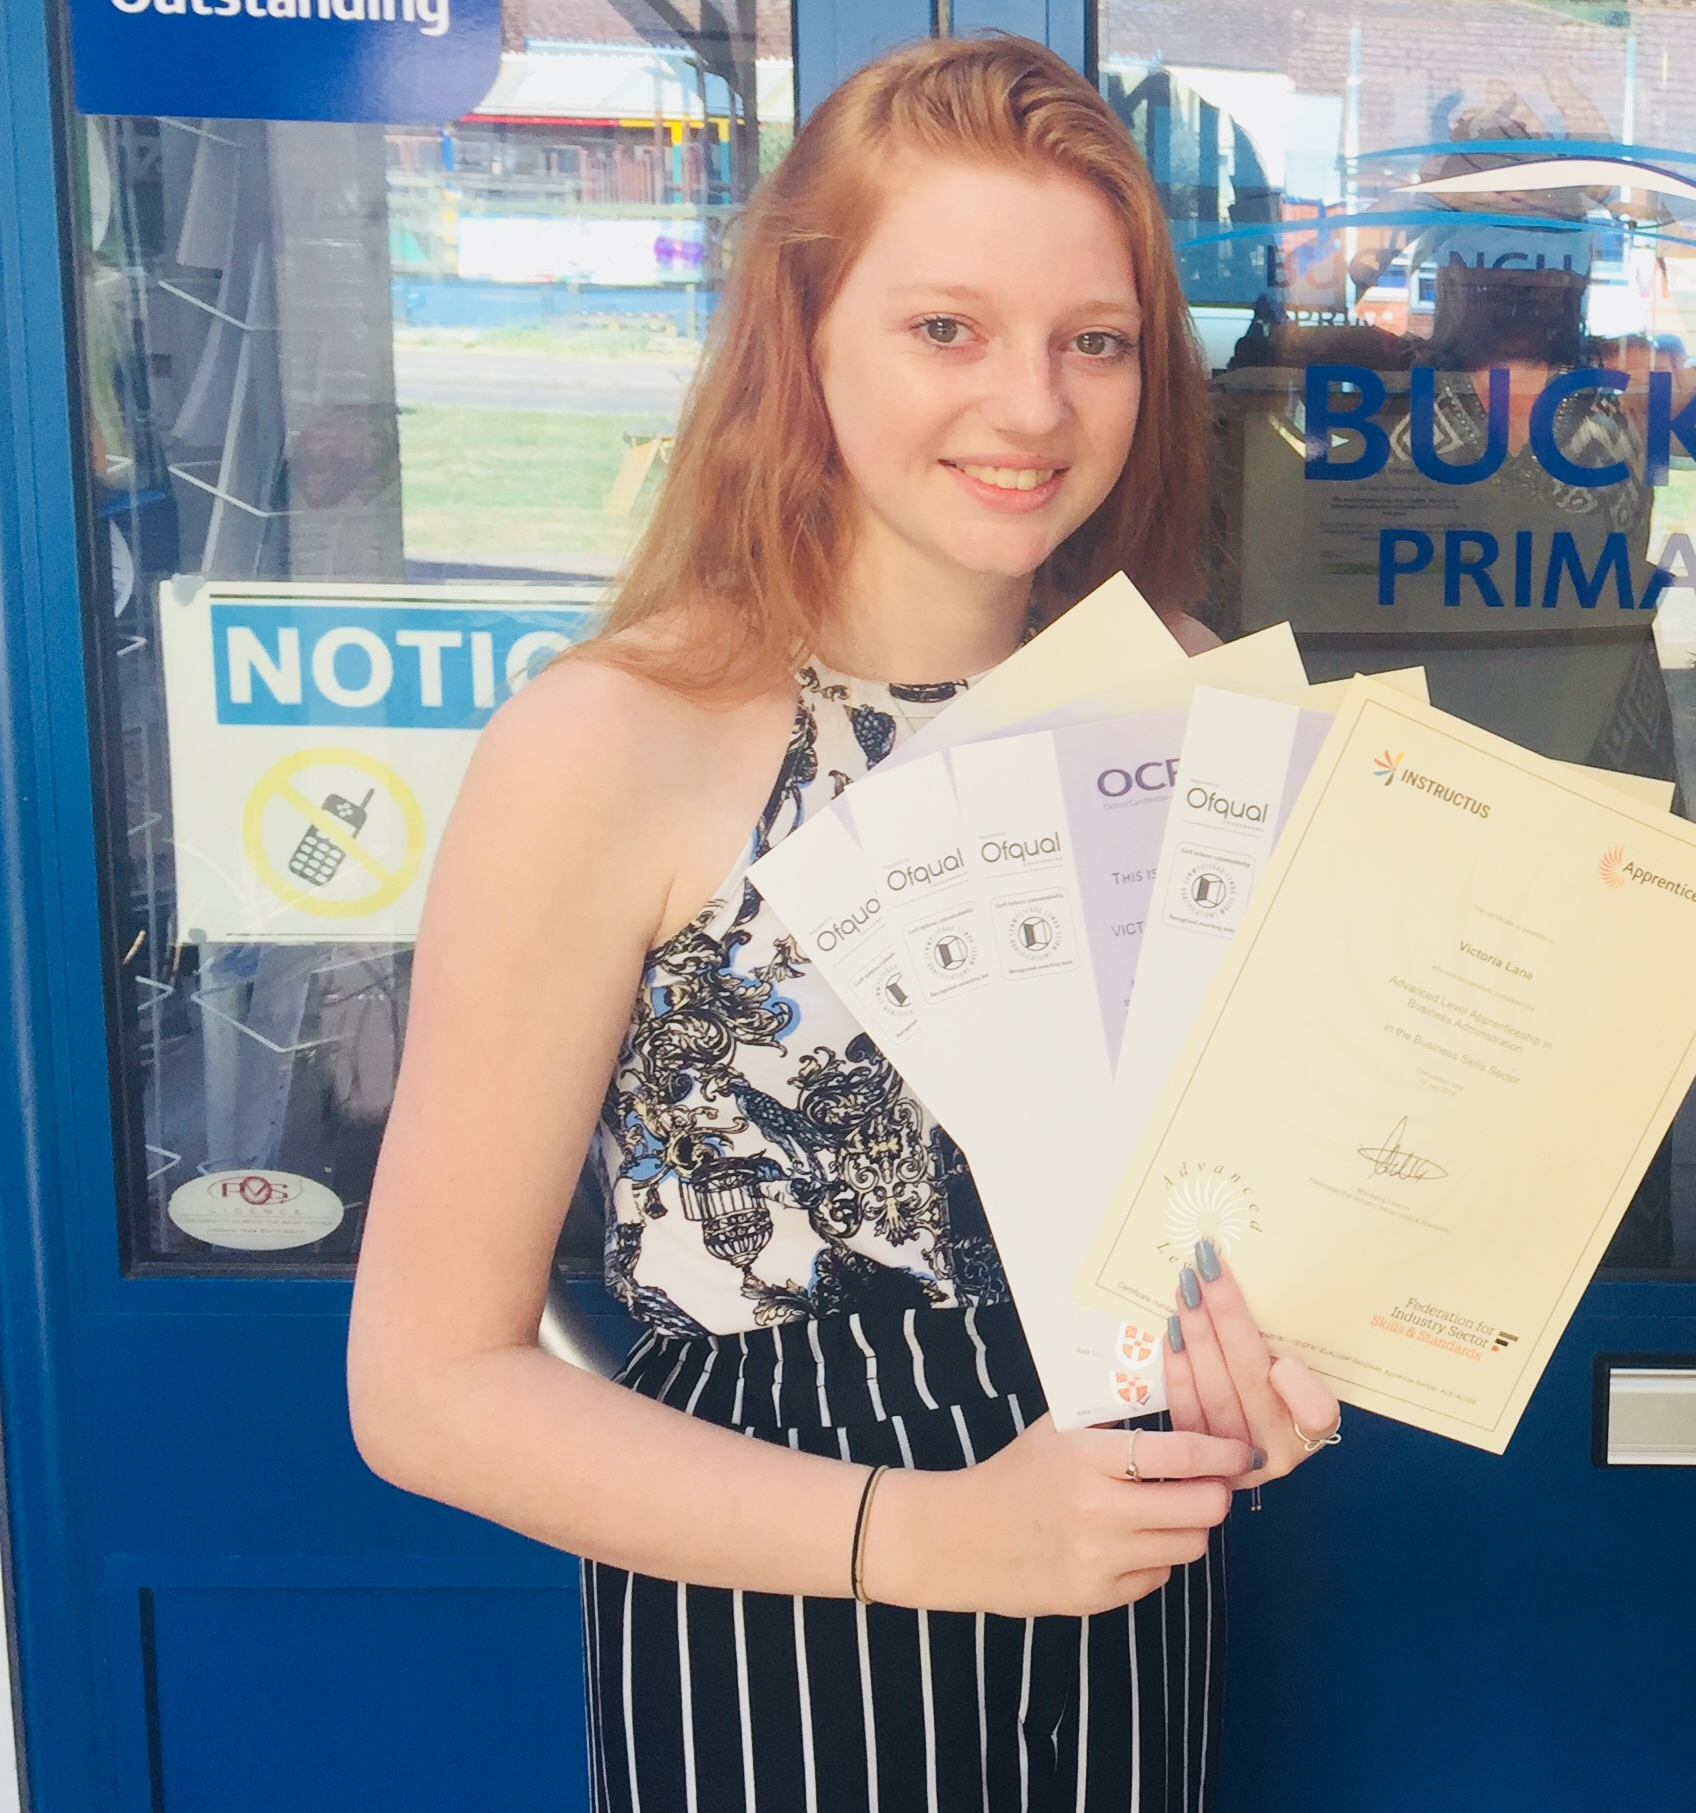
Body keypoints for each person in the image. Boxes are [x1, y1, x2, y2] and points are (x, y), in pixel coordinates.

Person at [348, 36, 1340, 1812]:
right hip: (772, 1599)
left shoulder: (1187, 700)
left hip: (1121, 1570)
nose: (1030, 408)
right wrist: (930, 1537)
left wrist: (1265, 1366)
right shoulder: (613, 742)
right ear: (802, 338)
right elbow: (424, 1386)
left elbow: (1234, 1215)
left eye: (1091, 341)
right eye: (946, 328)